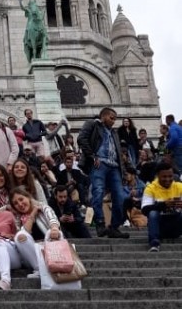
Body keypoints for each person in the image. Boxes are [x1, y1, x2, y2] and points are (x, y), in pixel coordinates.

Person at [78, 107, 130, 238]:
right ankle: (100, 223)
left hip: (114, 167)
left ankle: (114, 227)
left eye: (115, 119)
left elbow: (118, 153)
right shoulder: (92, 124)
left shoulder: (114, 132)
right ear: (103, 116)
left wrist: (123, 172)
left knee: (120, 196)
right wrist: (92, 156)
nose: (113, 121)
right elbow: (81, 139)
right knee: (98, 192)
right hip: (99, 164)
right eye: (111, 118)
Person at [5, 186, 61, 279]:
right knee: (20, 236)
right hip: (33, 255)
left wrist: (54, 229)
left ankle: (43, 269)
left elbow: (53, 220)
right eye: (15, 203)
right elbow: (23, 233)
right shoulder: (19, 218)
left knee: (56, 232)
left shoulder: (43, 207)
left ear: (28, 197)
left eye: (21, 199)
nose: (20, 204)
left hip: (51, 248)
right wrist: (33, 213)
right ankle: (39, 269)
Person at [141, 161, 182, 251]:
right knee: (153, 213)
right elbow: (144, 210)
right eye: (164, 177)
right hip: (160, 227)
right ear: (157, 176)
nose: (168, 179)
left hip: (176, 226)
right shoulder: (150, 188)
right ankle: (154, 243)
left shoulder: (179, 186)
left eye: (170, 176)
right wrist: (163, 205)